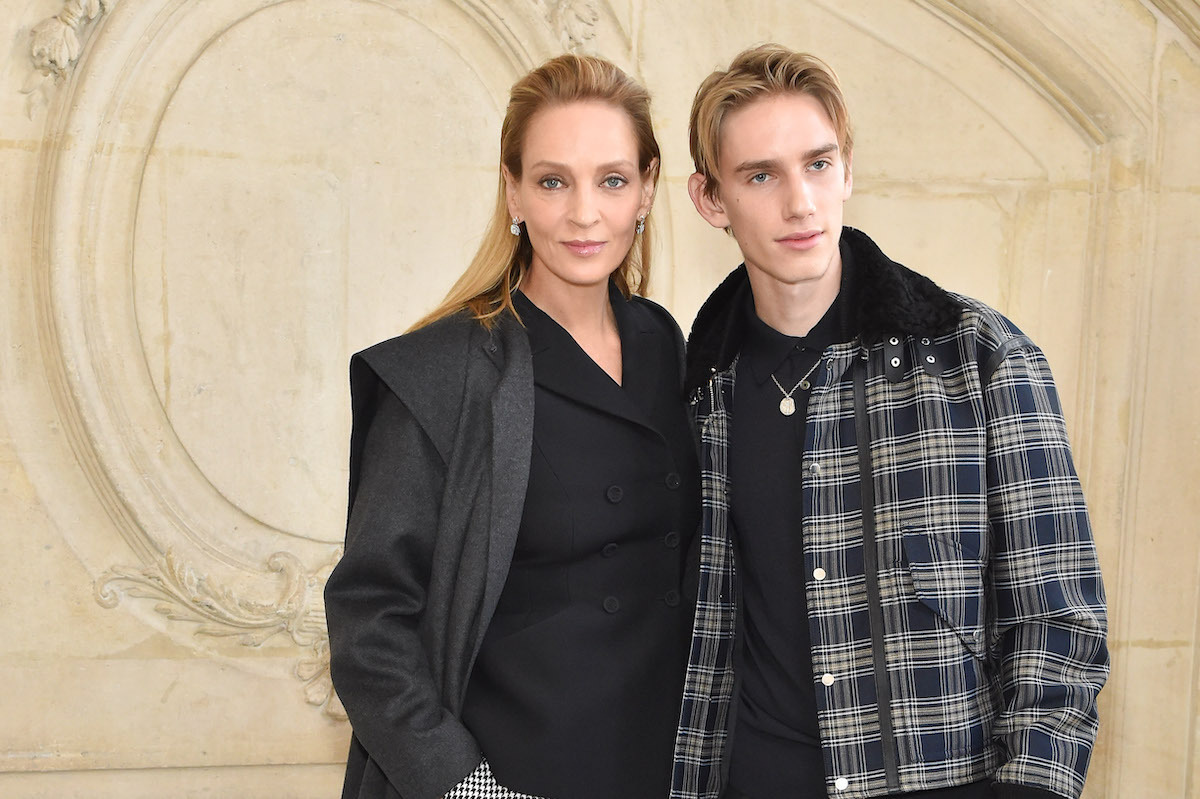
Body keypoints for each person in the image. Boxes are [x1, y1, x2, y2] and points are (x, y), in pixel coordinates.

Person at [670, 44, 1108, 799]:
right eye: (760, 175)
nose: (800, 202)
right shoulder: (697, 390)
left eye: (817, 163)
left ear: (848, 171)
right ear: (711, 199)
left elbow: (1059, 623)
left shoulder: (980, 358)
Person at [324, 54, 700, 799]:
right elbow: (370, 624)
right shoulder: (443, 371)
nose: (584, 213)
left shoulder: (664, 342)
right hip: (511, 775)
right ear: (513, 192)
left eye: (612, 180)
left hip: (661, 766)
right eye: (554, 181)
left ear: (648, 190)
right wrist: (468, 787)